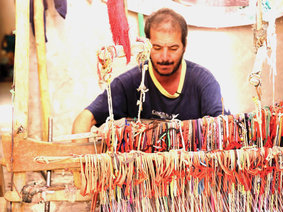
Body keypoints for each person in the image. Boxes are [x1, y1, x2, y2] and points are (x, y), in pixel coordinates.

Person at [72, 8, 227, 139]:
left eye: (173, 48)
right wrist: (79, 166)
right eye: (157, 47)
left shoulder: (203, 82)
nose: (165, 57)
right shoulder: (130, 83)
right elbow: (85, 119)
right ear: (146, 45)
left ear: (184, 46)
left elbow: (222, 129)